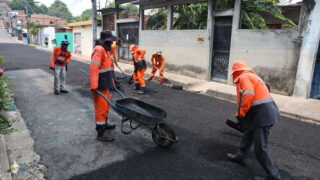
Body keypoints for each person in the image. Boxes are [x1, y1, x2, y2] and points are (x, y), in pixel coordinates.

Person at [227, 60, 281, 180]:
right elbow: (247, 98)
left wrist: (241, 114)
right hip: (263, 112)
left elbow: (249, 95)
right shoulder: (252, 76)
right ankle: (240, 156)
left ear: (236, 72)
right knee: (248, 134)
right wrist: (240, 114)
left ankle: (274, 175)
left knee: (261, 147)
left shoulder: (244, 77)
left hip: (263, 115)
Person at [90, 30, 117, 142]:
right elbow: (94, 68)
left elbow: (108, 69)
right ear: (106, 41)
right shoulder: (99, 50)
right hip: (100, 84)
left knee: (105, 106)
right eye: (110, 42)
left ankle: (104, 124)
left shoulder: (105, 50)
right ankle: (100, 133)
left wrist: (112, 83)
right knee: (101, 108)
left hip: (106, 83)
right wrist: (94, 85)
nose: (112, 44)